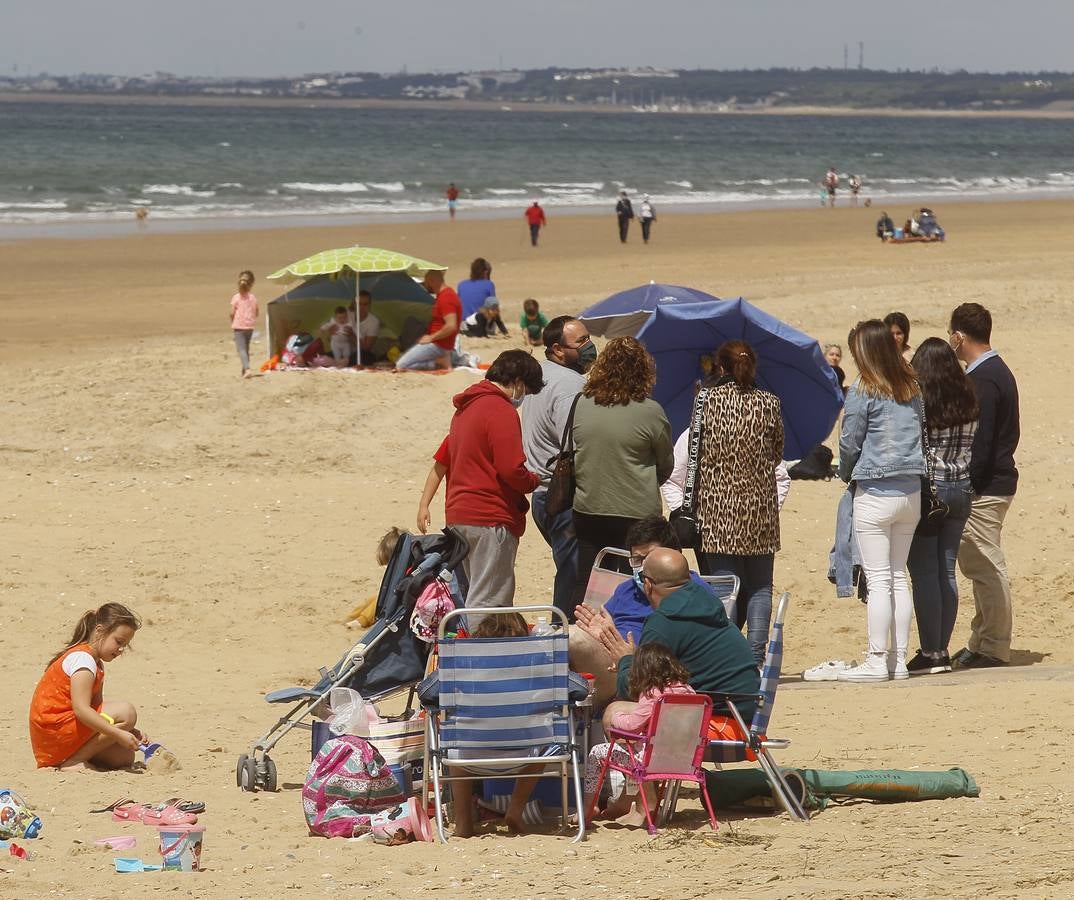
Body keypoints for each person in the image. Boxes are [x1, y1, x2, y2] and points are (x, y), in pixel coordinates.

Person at [417, 350, 543, 611]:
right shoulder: (500, 410)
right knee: (489, 603)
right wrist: (533, 481)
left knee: (473, 595)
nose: (523, 397)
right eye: (526, 391)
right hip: (489, 516)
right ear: (518, 381)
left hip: (459, 516)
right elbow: (510, 470)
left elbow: (444, 462)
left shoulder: (465, 409)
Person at [836, 319, 925, 683]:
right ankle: (899, 659)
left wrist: (845, 471)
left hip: (875, 490)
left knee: (877, 580)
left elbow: (850, 441)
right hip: (911, 490)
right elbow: (922, 428)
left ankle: (877, 658)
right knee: (898, 576)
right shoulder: (910, 385)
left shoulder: (863, 387)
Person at [587, 548, 760, 727]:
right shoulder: (707, 604)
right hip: (747, 716)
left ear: (647, 584)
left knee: (614, 712)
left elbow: (634, 691)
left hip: (718, 721)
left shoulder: (663, 622)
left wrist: (626, 659)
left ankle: (627, 756)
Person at [691, 341, 784, 666]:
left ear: (721, 367)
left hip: (717, 508)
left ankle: (727, 658)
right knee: (760, 586)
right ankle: (755, 658)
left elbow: (694, 452)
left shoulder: (705, 400)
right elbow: (775, 454)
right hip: (759, 507)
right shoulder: (769, 402)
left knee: (725, 587)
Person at [568, 337, 674, 618]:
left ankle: (579, 638)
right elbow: (665, 463)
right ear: (643, 371)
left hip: (589, 505)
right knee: (636, 583)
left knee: (587, 580)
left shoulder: (582, 403)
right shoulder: (651, 411)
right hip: (636, 511)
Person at [572, 515, 710, 707]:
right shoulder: (625, 590)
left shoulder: (693, 591)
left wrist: (632, 657)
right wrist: (604, 635)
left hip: (645, 676)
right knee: (560, 642)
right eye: (637, 559)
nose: (643, 566)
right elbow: (603, 627)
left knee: (573, 639)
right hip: (611, 665)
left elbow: (686, 658)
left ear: (672, 555)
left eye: (650, 557)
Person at [949, 303, 1020, 669]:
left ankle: (994, 645)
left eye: (952, 336)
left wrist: (968, 485)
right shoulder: (991, 372)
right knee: (978, 567)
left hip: (986, 486)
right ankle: (982, 638)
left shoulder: (986, 377)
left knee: (987, 567)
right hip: (992, 482)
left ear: (959, 336)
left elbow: (982, 441)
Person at [906, 338, 979, 675]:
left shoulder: (921, 401)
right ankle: (942, 650)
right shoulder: (967, 396)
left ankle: (931, 651)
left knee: (923, 574)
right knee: (946, 571)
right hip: (962, 487)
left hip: (930, 491)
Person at [445, 612, 546, 837]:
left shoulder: (465, 666)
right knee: (548, 740)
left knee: (453, 739)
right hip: (522, 756)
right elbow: (575, 687)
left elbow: (429, 691)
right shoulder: (534, 669)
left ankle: (463, 824)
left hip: (469, 757)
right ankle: (516, 810)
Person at [522, 316, 597, 618]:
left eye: (588, 338)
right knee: (574, 577)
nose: (590, 346)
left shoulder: (540, 375)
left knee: (571, 572)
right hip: (561, 495)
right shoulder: (570, 385)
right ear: (557, 349)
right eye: (581, 342)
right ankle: (561, 634)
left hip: (541, 495)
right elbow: (574, 444)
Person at [583, 642, 695, 826]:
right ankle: (635, 805)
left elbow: (632, 726)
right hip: (684, 759)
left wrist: (616, 717)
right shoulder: (690, 692)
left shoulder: (653, 694)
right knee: (639, 748)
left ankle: (588, 808)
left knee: (597, 753)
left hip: (651, 761)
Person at [29, 603, 144, 770]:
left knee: (123, 756)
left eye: (124, 645)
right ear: (99, 631)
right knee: (127, 711)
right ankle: (73, 762)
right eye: (118, 641)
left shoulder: (97, 665)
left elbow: (96, 709)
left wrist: (129, 731)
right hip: (55, 732)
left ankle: (76, 758)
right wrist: (118, 732)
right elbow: (81, 709)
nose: (120, 649)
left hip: (61, 734)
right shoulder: (83, 660)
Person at [395, 270, 461, 371]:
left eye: (426, 283)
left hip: (438, 345)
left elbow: (451, 326)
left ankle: (439, 362)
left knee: (401, 365)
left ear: (431, 281)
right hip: (439, 343)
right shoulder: (444, 295)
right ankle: (440, 361)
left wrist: (431, 337)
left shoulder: (446, 297)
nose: (426, 286)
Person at [229, 270, 259, 378]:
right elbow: (256, 312)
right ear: (251, 284)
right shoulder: (253, 298)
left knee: (241, 349)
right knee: (246, 348)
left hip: (239, 326)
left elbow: (232, 312)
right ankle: (244, 370)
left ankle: (247, 369)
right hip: (250, 326)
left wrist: (233, 321)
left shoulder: (236, 297)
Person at [353, 289, 380, 365]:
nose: (362, 307)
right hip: (342, 350)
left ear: (370, 305)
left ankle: (342, 362)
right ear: (354, 304)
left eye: (365, 304)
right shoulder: (347, 316)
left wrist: (351, 335)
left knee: (364, 356)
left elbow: (366, 348)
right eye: (359, 304)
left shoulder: (374, 321)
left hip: (362, 354)